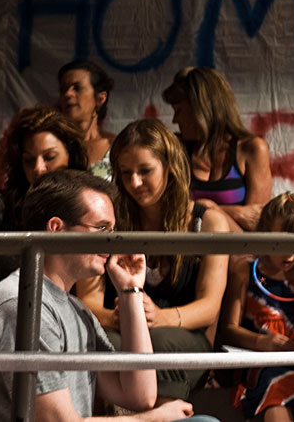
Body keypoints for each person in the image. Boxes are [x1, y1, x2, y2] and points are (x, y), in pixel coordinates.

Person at [0, 169, 218, 422]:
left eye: (113, 231)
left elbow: (139, 395)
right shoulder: (20, 305)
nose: (112, 241)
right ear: (57, 228)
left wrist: (131, 291)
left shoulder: (75, 309)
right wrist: (152, 419)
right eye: (102, 229)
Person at [76, 119, 229, 402]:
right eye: (126, 173)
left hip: (184, 337)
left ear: (170, 167)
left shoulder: (208, 223)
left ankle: (160, 414)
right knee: (106, 343)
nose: (135, 182)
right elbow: (87, 299)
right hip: (119, 332)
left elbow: (209, 307)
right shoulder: (110, 222)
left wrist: (159, 317)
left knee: (155, 342)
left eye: (145, 171)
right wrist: (120, 317)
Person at [219, 193, 294, 421]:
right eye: (281, 243)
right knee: (275, 393)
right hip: (262, 362)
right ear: (265, 234)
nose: (290, 254)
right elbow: (228, 330)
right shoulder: (246, 271)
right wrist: (262, 342)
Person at [0, 105, 88, 304]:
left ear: (71, 156)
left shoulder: (88, 208)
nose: (38, 168)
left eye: (49, 157)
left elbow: (90, 302)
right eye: (29, 160)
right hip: (5, 318)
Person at [162, 67, 271, 232]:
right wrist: (222, 210)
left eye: (179, 111)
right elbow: (168, 210)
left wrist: (205, 207)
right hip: (188, 245)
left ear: (201, 110)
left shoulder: (251, 149)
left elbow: (257, 222)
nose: (175, 120)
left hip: (239, 246)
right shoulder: (176, 149)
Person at [58, 59, 116, 180]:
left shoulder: (116, 147)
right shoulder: (54, 147)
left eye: (77, 88)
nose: (68, 94)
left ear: (100, 99)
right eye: (63, 89)